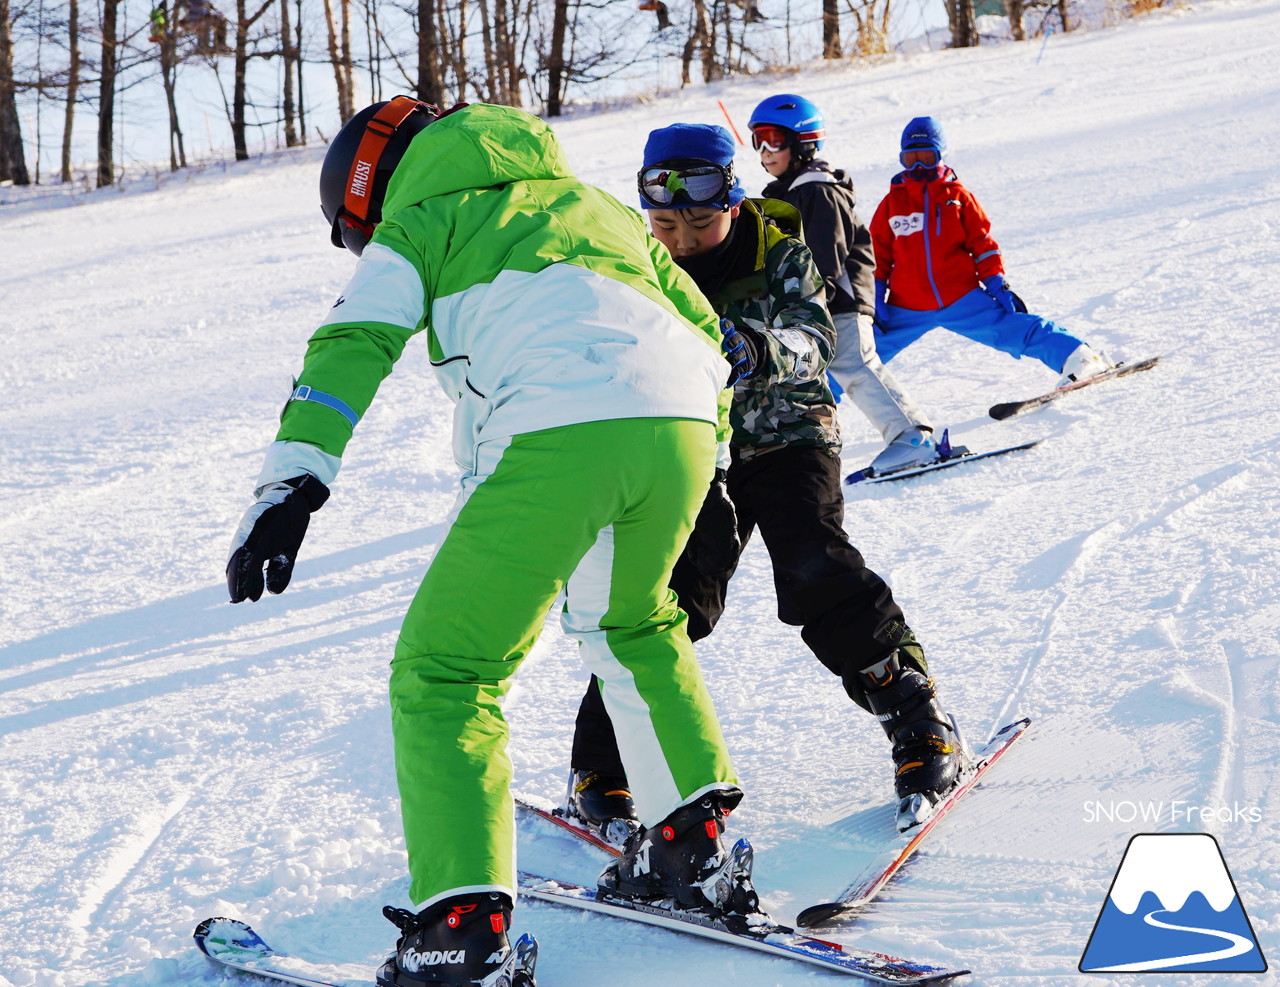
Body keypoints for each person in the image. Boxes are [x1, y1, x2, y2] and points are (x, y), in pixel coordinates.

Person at [225, 97, 771, 987]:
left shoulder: (427, 212)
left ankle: (459, 929)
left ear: (370, 192)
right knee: (633, 624)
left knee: (447, 671)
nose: (366, 247)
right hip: (679, 429)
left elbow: (354, 337)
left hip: (558, 433)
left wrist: (295, 479)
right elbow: (705, 331)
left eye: (356, 234)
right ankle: (689, 847)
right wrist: (703, 459)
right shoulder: (594, 205)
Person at [567, 122, 965, 849]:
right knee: (665, 603)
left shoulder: (777, 251)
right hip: (694, 452)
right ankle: (603, 761)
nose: (681, 238)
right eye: (665, 222)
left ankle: (917, 716)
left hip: (787, 436)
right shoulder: (637, 260)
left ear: (733, 199)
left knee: (813, 564)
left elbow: (817, 338)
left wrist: (757, 348)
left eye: (699, 220)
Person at [749, 94, 940, 475]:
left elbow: (825, 257)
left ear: (803, 142)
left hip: (836, 298)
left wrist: (808, 302)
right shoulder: (790, 191)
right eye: (758, 140)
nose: (766, 151)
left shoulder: (817, 191)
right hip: (815, 301)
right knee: (824, 373)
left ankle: (913, 437)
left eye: (774, 139)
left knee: (855, 365)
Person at [871, 116, 1113, 386]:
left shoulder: (959, 198)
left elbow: (982, 244)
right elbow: (876, 255)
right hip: (906, 306)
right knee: (861, 353)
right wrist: (875, 293)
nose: (918, 166)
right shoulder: (892, 203)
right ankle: (819, 401)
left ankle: (1079, 358)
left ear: (941, 156)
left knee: (1012, 326)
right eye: (911, 158)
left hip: (960, 297)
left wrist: (997, 283)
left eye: (927, 157)